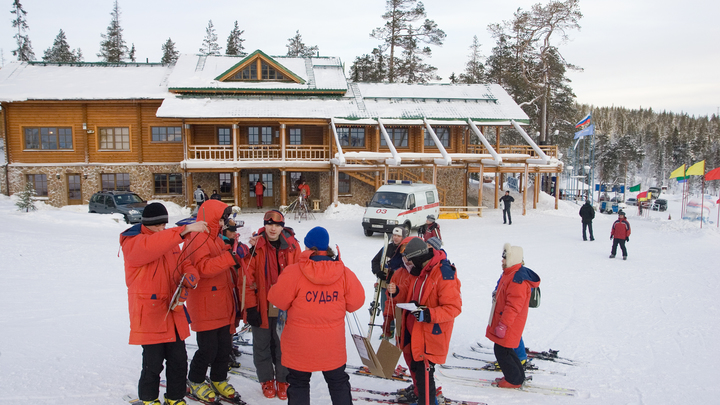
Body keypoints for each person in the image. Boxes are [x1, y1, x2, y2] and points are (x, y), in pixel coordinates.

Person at [120, 202, 208, 405]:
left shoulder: (169, 240)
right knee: (153, 364)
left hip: (173, 310)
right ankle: (149, 399)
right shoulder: (133, 242)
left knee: (178, 360)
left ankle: (175, 397)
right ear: (147, 224)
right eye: (157, 225)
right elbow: (153, 246)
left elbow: (183, 261)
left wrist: (191, 275)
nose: (162, 229)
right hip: (150, 313)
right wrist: (184, 229)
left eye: (164, 225)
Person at [267, 226, 365, 405]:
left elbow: (277, 299)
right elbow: (356, 302)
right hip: (332, 346)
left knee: (298, 384)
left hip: (300, 346)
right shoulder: (342, 272)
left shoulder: (294, 271)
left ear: (308, 247)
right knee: (338, 383)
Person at [183, 200, 247, 403]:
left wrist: (236, 252)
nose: (222, 223)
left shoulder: (215, 239)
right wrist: (231, 257)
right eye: (220, 219)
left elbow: (226, 260)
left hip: (222, 302)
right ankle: (195, 380)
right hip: (206, 304)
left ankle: (218, 379)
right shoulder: (197, 238)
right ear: (210, 218)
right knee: (208, 348)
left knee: (224, 347)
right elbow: (203, 268)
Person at [386, 237, 462, 405]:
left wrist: (428, 314)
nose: (409, 266)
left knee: (424, 374)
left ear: (419, 258)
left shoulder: (443, 273)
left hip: (430, 334)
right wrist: (397, 291)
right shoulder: (420, 271)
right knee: (418, 372)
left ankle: (427, 401)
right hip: (415, 331)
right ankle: (423, 399)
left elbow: (453, 308)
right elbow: (411, 292)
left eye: (411, 261)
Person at [244, 210, 302, 399]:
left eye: (277, 225)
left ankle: (283, 379)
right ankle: (266, 379)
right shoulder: (255, 245)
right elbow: (247, 279)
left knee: (283, 345)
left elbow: (300, 276)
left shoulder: (293, 246)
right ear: (264, 225)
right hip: (262, 305)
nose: (273, 228)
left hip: (285, 307)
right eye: (269, 224)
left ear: (282, 227)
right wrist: (251, 307)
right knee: (261, 345)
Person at [486, 243, 540, 389]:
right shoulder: (510, 273)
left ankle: (513, 380)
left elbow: (513, 306)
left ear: (512, 259)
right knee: (506, 350)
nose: (502, 261)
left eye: (504, 259)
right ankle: (517, 376)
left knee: (502, 350)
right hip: (505, 320)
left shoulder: (517, 280)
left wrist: (503, 325)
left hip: (509, 322)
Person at [370, 226, 407, 339]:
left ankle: (401, 331)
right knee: (386, 308)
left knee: (399, 309)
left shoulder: (405, 250)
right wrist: (378, 272)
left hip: (399, 286)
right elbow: (375, 261)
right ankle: (388, 329)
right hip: (385, 285)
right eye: (394, 235)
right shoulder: (387, 248)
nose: (395, 238)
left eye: (398, 236)